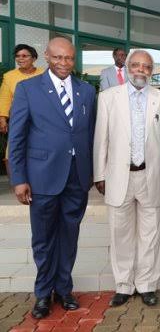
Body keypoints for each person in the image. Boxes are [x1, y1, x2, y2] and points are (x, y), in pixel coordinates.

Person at [8, 37, 96, 319]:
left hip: (76, 177)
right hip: (42, 177)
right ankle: (43, 293)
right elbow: (17, 136)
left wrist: (94, 172)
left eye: (69, 58)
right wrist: (18, 178)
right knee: (44, 239)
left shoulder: (86, 91)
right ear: (46, 56)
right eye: (58, 57)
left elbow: (91, 135)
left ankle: (64, 288)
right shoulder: (28, 89)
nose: (63, 63)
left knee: (69, 236)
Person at [93, 49, 160, 307]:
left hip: (151, 176)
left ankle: (147, 285)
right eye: (136, 65)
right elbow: (101, 138)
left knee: (151, 235)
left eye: (147, 66)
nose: (141, 70)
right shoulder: (108, 98)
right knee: (121, 235)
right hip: (119, 176)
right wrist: (99, 173)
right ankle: (124, 285)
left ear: (152, 71)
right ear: (127, 67)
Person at [0, 44, 44, 173]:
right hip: (18, 118)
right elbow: (4, 98)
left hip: (41, 118)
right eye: (18, 56)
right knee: (13, 151)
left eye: (24, 56)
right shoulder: (9, 76)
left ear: (34, 58)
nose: (20, 59)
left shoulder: (44, 74)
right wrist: (2, 118)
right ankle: (16, 183)